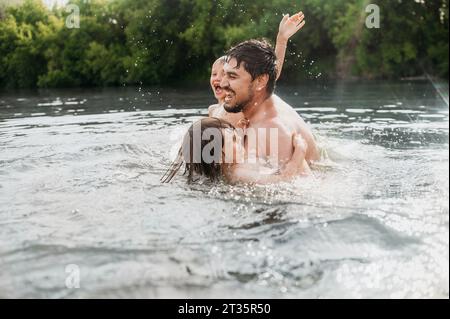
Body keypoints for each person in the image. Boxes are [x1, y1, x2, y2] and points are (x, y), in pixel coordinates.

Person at [208, 11, 306, 128]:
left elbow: (271, 74)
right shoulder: (213, 110)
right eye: (214, 74)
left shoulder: (241, 107)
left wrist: (281, 40)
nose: (219, 79)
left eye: (228, 75)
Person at [160, 117, 310, 184]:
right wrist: (300, 151)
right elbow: (283, 180)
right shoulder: (239, 174)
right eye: (233, 140)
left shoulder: (228, 166)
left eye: (235, 134)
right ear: (218, 158)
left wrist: (239, 132)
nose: (239, 139)